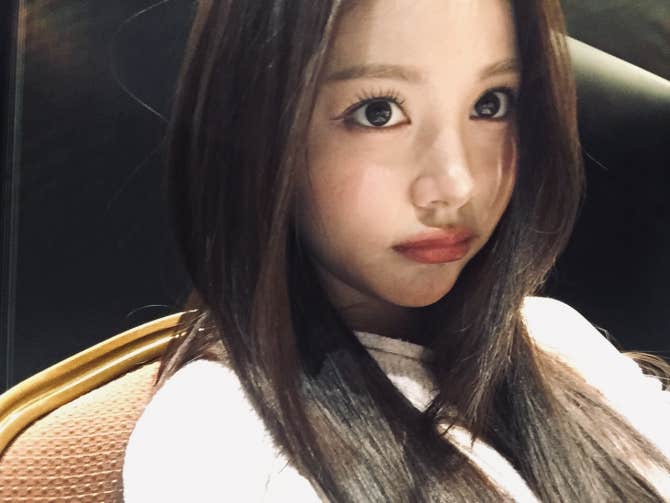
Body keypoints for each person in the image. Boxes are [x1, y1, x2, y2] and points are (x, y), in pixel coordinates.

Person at [122, 0, 670, 501]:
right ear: (255, 129)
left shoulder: (552, 334)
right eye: (378, 112)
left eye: (491, 104)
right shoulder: (215, 443)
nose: (457, 186)